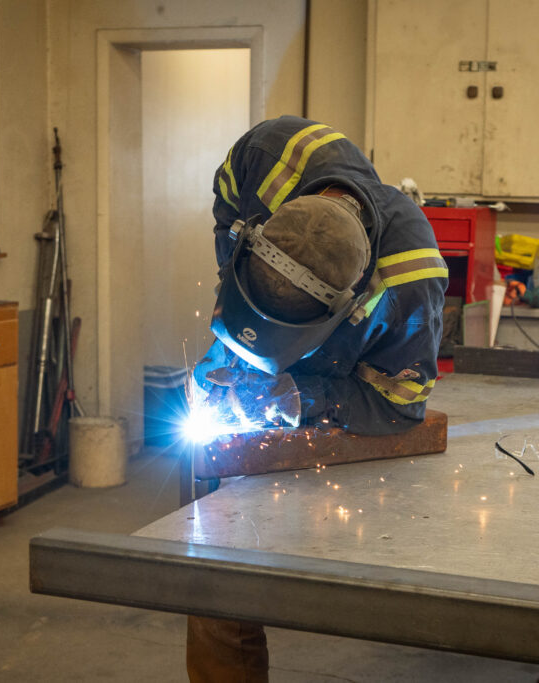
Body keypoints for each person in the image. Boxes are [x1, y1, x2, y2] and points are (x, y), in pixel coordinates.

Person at [187, 116, 448, 682]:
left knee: (351, 563)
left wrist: (302, 392)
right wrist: (231, 325)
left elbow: (400, 401)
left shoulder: (411, 282)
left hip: (333, 398)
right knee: (218, 569)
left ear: (347, 303)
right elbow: (226, 222)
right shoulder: (264, 157)